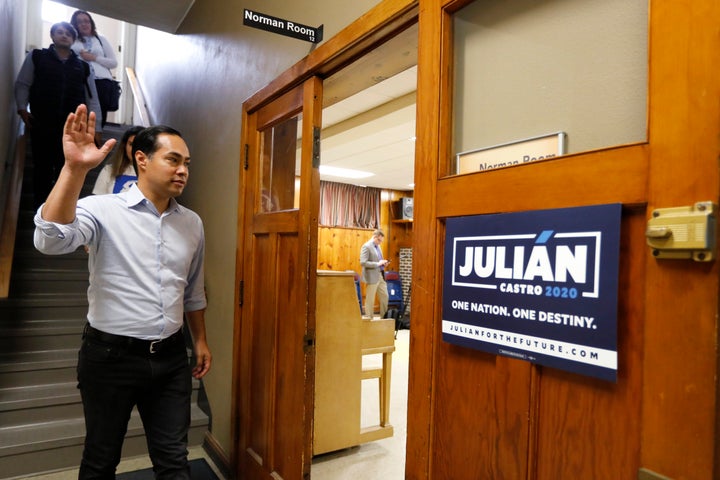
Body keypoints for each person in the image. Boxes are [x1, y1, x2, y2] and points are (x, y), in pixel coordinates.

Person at [34, 105, 211, 479]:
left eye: (187, 163)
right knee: (101, 459)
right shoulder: (102, 209)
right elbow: (50, 241)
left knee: (174, 461)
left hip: (170, 360)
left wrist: (201, 341)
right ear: (141, 159)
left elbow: (193, 291)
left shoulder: (192, 223)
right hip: (109, 358)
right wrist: (75, 169)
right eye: (174, 160)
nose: (183, 170)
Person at [15, 21, 102, 208]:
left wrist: (97, 128)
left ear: (72, 40)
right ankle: (41, 208)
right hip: (42, 124)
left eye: (68, 34)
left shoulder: (83, 66)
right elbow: (23, 83)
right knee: (42, 168)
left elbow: (92, 98)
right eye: (60, 32)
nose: (64, 36)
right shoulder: (37, 57)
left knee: (67, 168)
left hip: (72, 128)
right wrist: (22, 108)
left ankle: (63, 208)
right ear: (53, 37)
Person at [71, 10, 119, 127]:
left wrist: (94, 57)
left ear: (91, 23)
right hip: (79, 82)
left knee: (98, 117)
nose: (84, 24)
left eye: (87, 21)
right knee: (78, 115)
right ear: (74, 25)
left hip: (102, 83)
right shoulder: (71, 39)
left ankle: (95, 141)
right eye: (79, 22)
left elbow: (113, 63)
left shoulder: (101, 39)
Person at [92, 125, 144, 194]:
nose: (134, 149)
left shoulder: (155, 174)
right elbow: (97, 201)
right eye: (131, 144)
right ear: (125, 146)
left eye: (139, 145)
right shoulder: (109, 170)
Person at [360, 229, 390, 318]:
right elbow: (363, 262)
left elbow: (379, 260)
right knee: (370, 299)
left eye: (381, 241)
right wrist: (377, 264)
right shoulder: (366, 246)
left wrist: (384, 263)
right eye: (379, 240)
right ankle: (369, 319)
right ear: (374, 237)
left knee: (385, 296)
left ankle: (384, 318)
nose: (380, 242)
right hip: (372, 276)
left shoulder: (378, 246)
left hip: (380, 275)